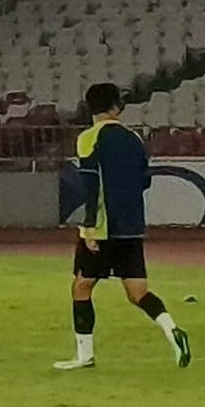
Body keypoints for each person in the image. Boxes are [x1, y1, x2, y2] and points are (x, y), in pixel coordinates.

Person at [56, 82, 187, 369]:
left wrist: (89, 227)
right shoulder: (134, 139)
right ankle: (172, 330)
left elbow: (90, 183)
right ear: (116, 107)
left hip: (103, 226)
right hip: (132, 225)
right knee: (138, 292)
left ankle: (84, 355)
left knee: (81, 287)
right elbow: (144, 180)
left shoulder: (88, 138)